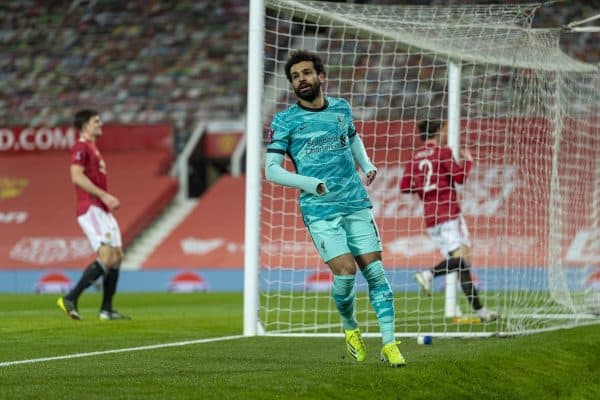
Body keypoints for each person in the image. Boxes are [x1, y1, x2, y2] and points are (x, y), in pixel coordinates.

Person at [265, 50, 405, 367]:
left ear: (321, 76)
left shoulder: (341, 108)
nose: (301, 79)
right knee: (346, 273)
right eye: (295, 76)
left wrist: (366, 164)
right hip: (320, 210)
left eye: (306, 73)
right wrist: (309, 183)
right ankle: (351, 327)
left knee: (376, 273)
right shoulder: (285, 121)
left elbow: (352, 140)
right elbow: (271, 170)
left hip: (355, 202)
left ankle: (390, 344)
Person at [400, 119, 498, 323]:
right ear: (438, 132)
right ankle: (428, 274)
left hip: (431, 218)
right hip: (448, 214)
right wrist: (468, 161)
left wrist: (425, 188)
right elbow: (460, 178)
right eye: (444, 130)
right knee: (462, 261)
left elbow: (404, 186)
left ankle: (481, 312)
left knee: (462, 267)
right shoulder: (442, 152)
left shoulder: (414, 157)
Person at [56, 109, 130, 321]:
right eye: (96, 121)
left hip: (102, 209)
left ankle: (106, 309)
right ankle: (70, 298)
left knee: (116, 257)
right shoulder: (80, 147)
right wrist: (104, 196)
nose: (100, 123)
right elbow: (76, 177)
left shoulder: (92, 148)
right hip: (90, 207)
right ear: (85, 125)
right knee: (107, 256)